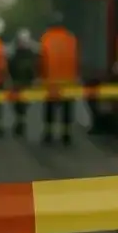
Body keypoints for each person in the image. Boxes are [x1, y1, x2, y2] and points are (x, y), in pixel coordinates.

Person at [38, 14, 79, 145]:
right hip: (68, 81)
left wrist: (41, 77)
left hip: (51, 82)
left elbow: (42, 60)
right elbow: (76, 59)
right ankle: (66, 136)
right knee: (67, 109)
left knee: (50, 109)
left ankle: (49, 135)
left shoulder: (46, 38)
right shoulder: (71, 38)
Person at [8, 28, 39, 137]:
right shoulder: (15, 54)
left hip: (25, 84)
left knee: (22, 105)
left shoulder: (30, 55)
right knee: (18, 105)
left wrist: (34, 80)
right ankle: (20, 122)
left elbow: (35, 69)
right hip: (18, 83)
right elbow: (10, 67)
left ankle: (20, 123)